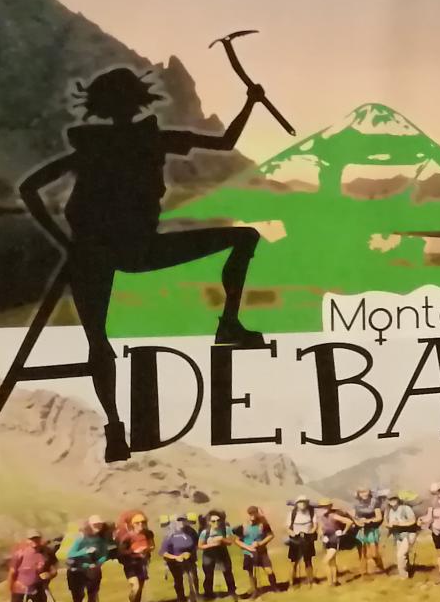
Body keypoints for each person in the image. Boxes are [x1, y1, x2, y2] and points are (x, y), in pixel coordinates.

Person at [17, 64, 271, 464]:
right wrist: (251, 102)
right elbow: (225, 142)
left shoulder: (94, 145)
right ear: (138, 100)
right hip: (131, 250)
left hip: (96, 252)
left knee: (98, 343)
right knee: (244, 238)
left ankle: (115, 430)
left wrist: (64, 242)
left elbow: (29, 187)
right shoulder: (149, 140)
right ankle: (228, 324)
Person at [61, 516, 113, 602]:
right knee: (78, 599)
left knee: (92, 595)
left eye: (99, 524)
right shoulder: (81, 538)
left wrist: (98, 563)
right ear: (89, 525)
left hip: (94, 571)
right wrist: (85, 552)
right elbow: (70, 554)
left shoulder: (101, 539)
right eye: (95, 524)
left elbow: (104, 554)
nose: (98, 526)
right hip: (77, 572)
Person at [115, 510, 154, 602]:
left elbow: (152, 545)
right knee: (135, 587)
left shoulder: (148, 534)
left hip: (142, 563)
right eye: (137, 523)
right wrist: (134, 552)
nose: (141, 525)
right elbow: (121, 552)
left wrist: (147, 550)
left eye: (143, 522)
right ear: (132, 524)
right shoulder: (127, 537)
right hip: (130, 565)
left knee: (140, 587)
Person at [196, 508, 238, 601]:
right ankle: (208, 594)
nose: (216, 522)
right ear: (209, 522)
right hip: (209, 555)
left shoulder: (226, 529)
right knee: (208, 574)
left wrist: (221, 539)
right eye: (213, 521)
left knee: (227, 573)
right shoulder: (205, 532)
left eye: (218, 520)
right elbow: (200, 546)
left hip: (222, 553)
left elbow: (230, 542)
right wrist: (212, 544)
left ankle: (232, 592)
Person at [160, 512, 198, 602]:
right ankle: (181, 598)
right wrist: (176, 557)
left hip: (189, 559)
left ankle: (194, 597)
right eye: (179, 520)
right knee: (178, 580)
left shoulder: (191, 532)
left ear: (186, 521)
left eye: (183, 520)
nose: (181, 522)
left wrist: (190, 553)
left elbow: (196, 545)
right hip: (174, 562)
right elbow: (163, 552)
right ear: (175, 521)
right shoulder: (170, 534)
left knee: (193, 577)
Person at [238, 506, 276, 597]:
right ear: (248, 514)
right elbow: (236, 540)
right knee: (251, 572)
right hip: (248, 553)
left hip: (261, 552)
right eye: (250, 513)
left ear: (257, 513)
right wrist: (247, 547)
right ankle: (254, 589)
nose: (252, 515)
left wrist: (260, 543)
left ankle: (274, 587)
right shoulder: (243, 526)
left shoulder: (263, 524)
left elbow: (271, 535)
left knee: (269, 570)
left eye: (254, 513)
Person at [350, 486, 384, 578]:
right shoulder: (355, 504)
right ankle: (364, 574)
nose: (363, 494)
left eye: (365, 492)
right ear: (358, 494)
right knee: (362, 553)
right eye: (361, 492)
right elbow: (353, 517)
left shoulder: (374, 502)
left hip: (372, 529)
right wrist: (358, 521)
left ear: (369, 492)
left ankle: (380, 566)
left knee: (374, 554)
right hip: (360, 529)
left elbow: (379, 517)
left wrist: (369, 521)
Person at [284, 496, 319, 586]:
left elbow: (315, 525)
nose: (302, 504)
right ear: (296, 503)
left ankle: (311, 581)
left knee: (308, 561)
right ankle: (291, 583)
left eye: (304, 502)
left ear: (307, 503)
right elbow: (287, 527)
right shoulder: (292, 513)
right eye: (300, 502)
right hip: (295, 539)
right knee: (293, 563)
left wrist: (311, 532)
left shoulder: (311, 512)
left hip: (308, 539)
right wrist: (292, 533)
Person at [386, 489, 420, 579]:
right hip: (398, 535)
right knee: (404, 555)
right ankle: (408, 571)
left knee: (400, 555)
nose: (392, 501)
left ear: (398, 499)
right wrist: (389, 527)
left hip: (409, 534)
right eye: (390, 499)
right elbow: (390, 523)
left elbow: (412, 521)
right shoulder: (390, 511)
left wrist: (399, 524)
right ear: (388, 501)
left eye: (394, 499)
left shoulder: (406, 508)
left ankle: (403, 576)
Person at [321, 501, 355, 584]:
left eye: (326, 506)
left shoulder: (334, 515)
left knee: (325, 561)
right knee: (332, 562)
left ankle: (330, 582)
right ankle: (335, 581)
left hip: (335, 539)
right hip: (327, 539)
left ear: (330, 506)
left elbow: (349, 522)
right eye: (323, 506)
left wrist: (343, 532)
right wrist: (322, 536)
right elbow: (322, 528)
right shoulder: (323, 516)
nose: (324, 507)